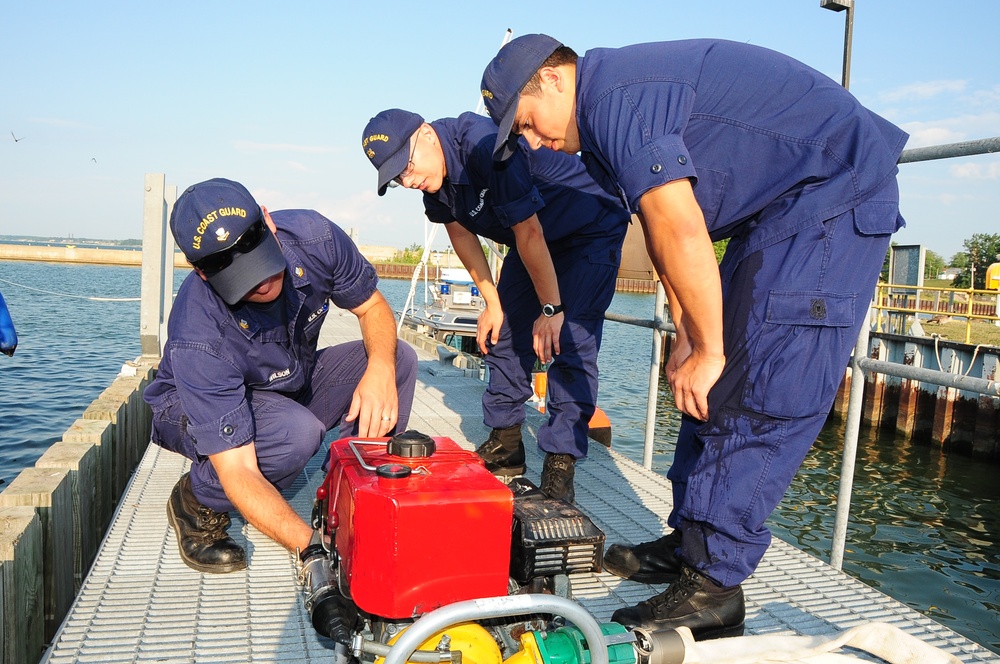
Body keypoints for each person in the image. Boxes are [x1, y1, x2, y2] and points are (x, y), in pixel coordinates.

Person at [482, 34, 906, 639]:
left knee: (766, 379)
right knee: (710, 377)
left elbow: (681, 226)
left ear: (553, 79)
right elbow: (665, 232)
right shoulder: (602, 128)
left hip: (832, 192)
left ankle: (715, 587)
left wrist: (709, 348)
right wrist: (687, 332)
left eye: (525, 122)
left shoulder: (612, 102)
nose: (531, 140)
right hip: (776, 208)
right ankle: (691, 543)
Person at [143, 177, 417, 573]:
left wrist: (380, 367)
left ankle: (346, 492)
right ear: (202, 273)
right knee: (294, 434)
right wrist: (314, 549)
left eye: (259, 258)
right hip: (193, 403)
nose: (261, 281)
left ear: (268, 221)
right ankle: (196, 498)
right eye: (238, 276)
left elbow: (372, 307)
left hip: (287, 378)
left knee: (398, 359)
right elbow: (239, 469)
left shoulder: (315, 237)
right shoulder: (197, 333)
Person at [361, 108, 630, 502]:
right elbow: (461, 234)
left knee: (569, 341)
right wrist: (492, 302)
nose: (409, 179)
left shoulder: (483, 146)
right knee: (502, 331)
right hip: (533, 238)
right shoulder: (434, 184)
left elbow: (530, 231)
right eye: (398, 178)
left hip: (587, 228)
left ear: (426, 134)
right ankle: (507, 444)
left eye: (408, 165)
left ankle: (560, 461)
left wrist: (551, 310)